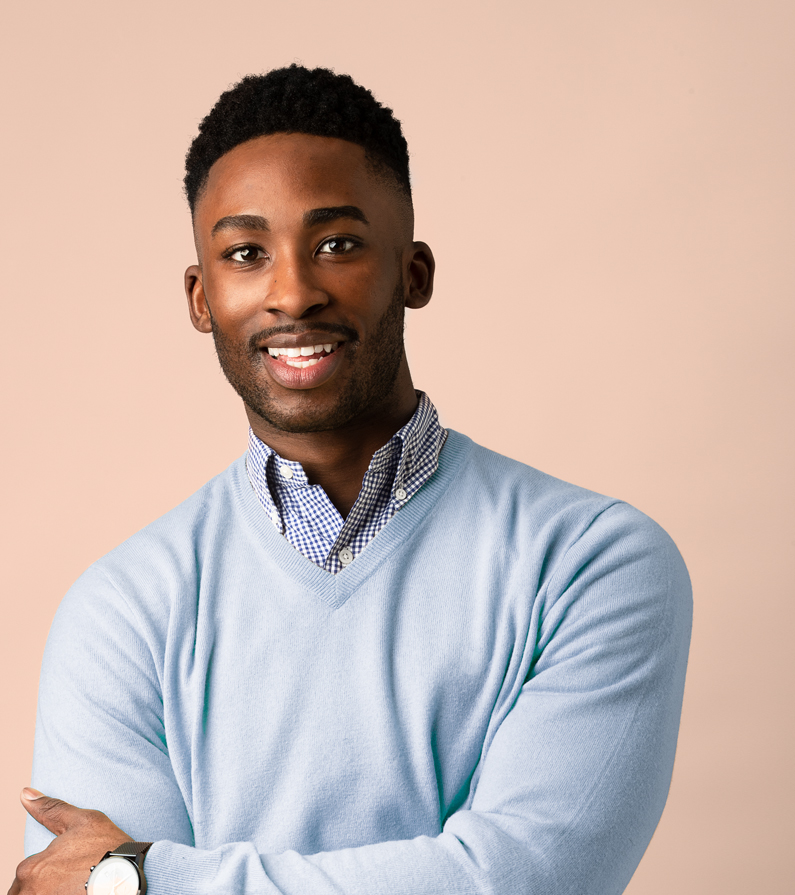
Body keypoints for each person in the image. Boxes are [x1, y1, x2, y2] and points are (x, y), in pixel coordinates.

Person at [12, 65, 692, 895]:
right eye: (245, 253)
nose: (292, 291)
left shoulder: (591, 562)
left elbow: (530, 878)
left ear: (414, 273)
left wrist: (151, 879)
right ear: (200, 298)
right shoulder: (121, 609)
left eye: (336, 243)